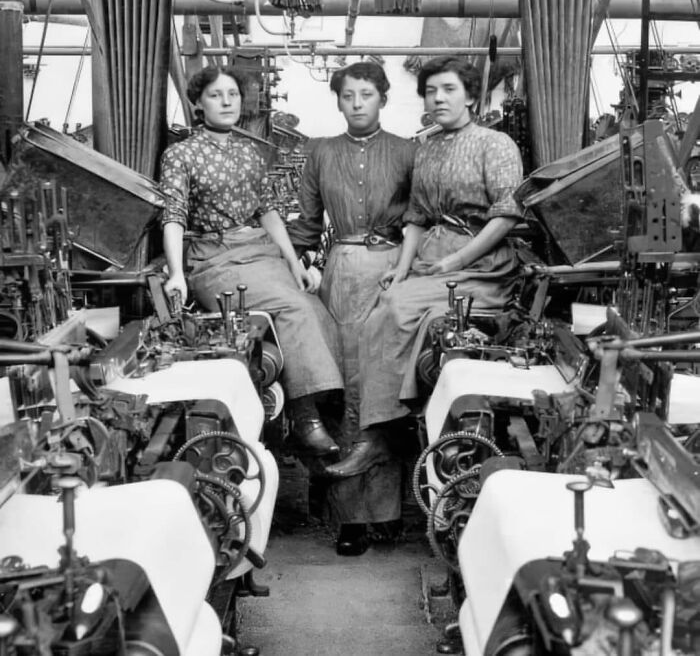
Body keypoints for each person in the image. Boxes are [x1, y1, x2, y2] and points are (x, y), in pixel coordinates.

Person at [159, 65, 344, 456]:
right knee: (294, 307)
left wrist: (295, 264)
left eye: (233, 94)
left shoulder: (250, 153)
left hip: (259, 251)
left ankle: (312, 412)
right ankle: (306, 417)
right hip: (215, 259)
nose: (226, 102)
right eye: (215, 95)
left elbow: (269, 212)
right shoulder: (181, 155)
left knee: (316, 304)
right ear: (197, 103)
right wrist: (177, 273)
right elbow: (173, 215)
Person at [346, 55, 524, 458]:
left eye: (449, 90)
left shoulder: (495, 144)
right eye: (430, 91)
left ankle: (382, 432)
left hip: (482, 264)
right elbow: (417, 219)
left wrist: (455, 261)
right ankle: (387, 425)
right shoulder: (424, 149)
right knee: (379, 307)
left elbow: (507, 214)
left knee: (393, 311)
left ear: (470, 97)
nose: (438, 99)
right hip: (432, 258)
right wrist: (401, 267)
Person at [288, 61, 416, 555]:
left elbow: (418, 221)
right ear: (337, 101)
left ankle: (387, 514)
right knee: (342, 387)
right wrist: (289, 262)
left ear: (383, 98)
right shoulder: (319, 153)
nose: (357, 103)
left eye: (366, 94)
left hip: (391, 273)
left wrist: (409, 271)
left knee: (383, 386)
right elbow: (305, 223)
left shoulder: (408, 152)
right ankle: (349, 521)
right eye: (348, 95)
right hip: (340, 270)